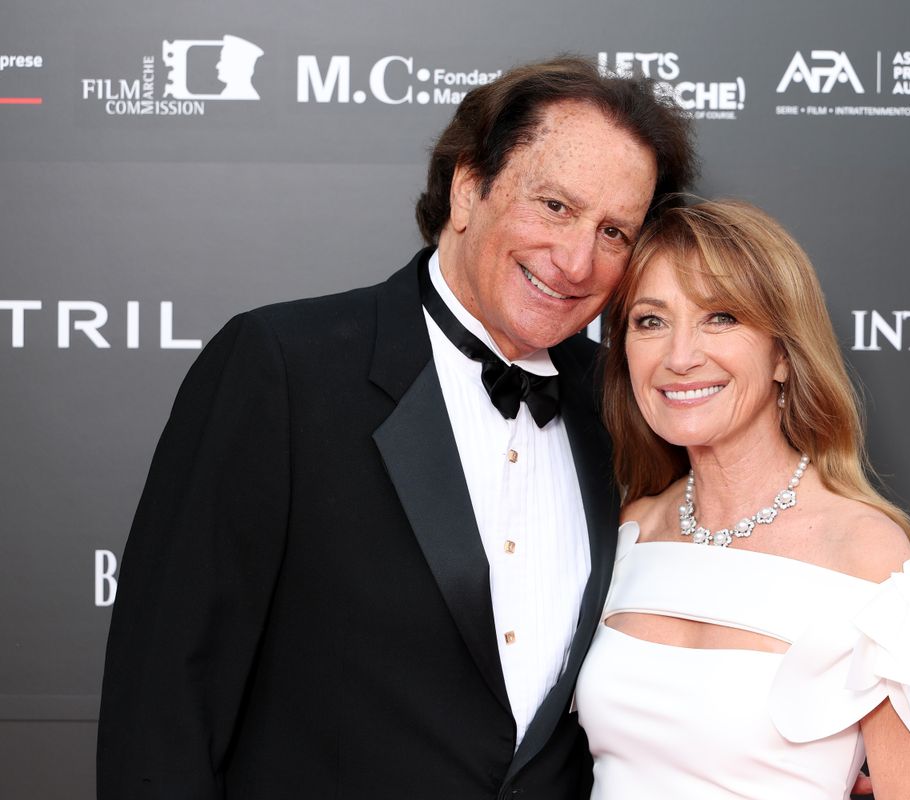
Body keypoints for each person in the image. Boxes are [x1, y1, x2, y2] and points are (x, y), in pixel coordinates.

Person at [97, 56, 696, 799]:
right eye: (554, 206)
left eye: (614, 231)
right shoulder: (282, 370)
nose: (577, 261)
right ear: (468, 187)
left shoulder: (624, 405)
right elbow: (162, 701)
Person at [575, 199, 910, 799]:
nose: (680, 357)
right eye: (651, 321)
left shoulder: (869, 556)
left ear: (783, 355)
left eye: (721, 318)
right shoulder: (631, 531)